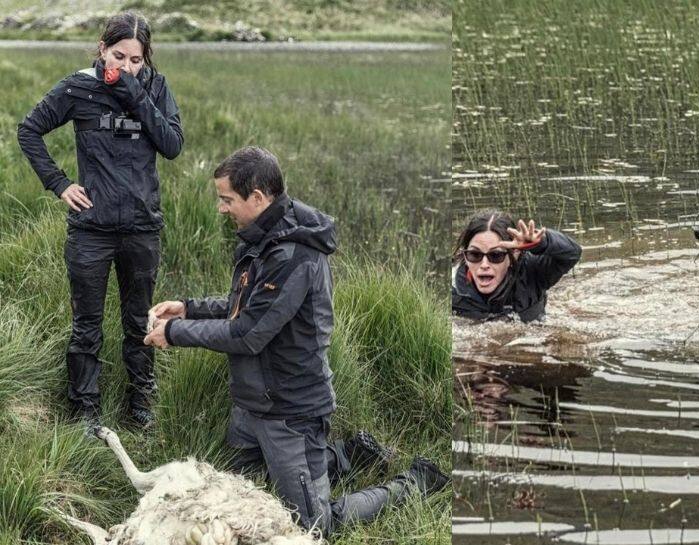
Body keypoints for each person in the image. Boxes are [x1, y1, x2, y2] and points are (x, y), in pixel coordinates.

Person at [143, 147, 448, 535]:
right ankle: (351, 454)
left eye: (227, 199)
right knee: (239, 492)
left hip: (291, 410)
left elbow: (248, 334)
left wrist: (173, 333)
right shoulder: (262, 237)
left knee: (313, 525)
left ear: (257, 197)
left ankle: (416, 481)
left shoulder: (294, 255)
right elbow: (246, 308)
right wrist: (188, 309)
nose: (221, 208)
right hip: (251, 404)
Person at [17, 12, 183, 428]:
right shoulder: (79, 87)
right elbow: (29, 130)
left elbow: (172, 145)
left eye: (135, 60)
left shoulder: (156, 88)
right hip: (91, 229)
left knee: (138, 319)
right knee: (86, 325)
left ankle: (141, 405)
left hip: (142, 228)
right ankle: (85, 411)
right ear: (101, 48)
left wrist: (134, 92)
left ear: (146, 60)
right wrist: (59, 184)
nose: (125, 66)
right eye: (118, 56)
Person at [452, 209, 582, 322]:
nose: (484, 264)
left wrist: (542, 243)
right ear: (464, 255)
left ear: (514, 254)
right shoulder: (452, 289)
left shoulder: (534, 271)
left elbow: (572, 253)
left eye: (496, 255)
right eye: (475, 255)